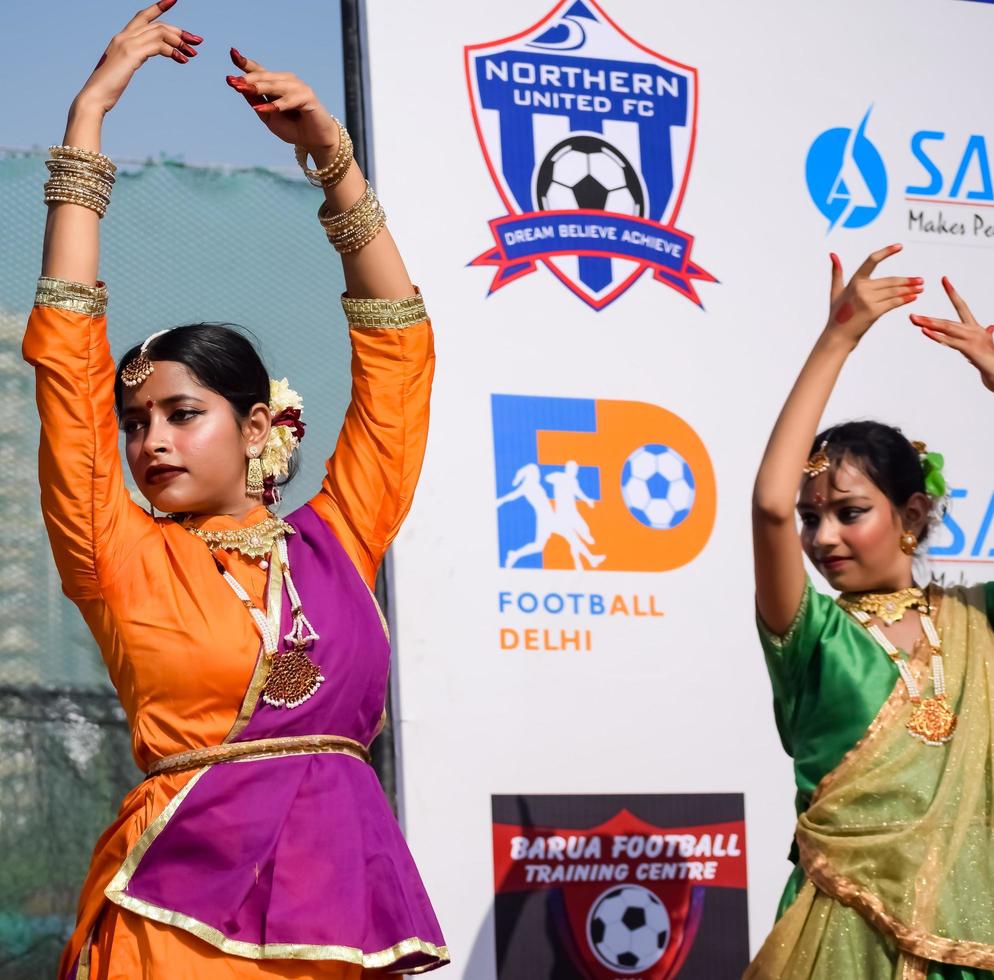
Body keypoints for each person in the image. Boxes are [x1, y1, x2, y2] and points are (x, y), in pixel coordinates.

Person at [25, 2, 448, 976]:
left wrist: (333, 159)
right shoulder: (119, 551)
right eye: (134, 423)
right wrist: (89, 121)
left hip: (337, 908)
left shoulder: (338, 537)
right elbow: (65, 372)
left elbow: (399, 351)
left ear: (257, 426)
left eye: (181, 413)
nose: (150, 440)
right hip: (171, 921)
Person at [746, 244, 994, 978]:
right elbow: (766, 507)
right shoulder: (813, 637)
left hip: (970, 940)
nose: (824, 537)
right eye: (812, 516)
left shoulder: (979, 624)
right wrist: (838, 339)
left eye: (850, 512)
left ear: (911, 512)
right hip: (842, 945)